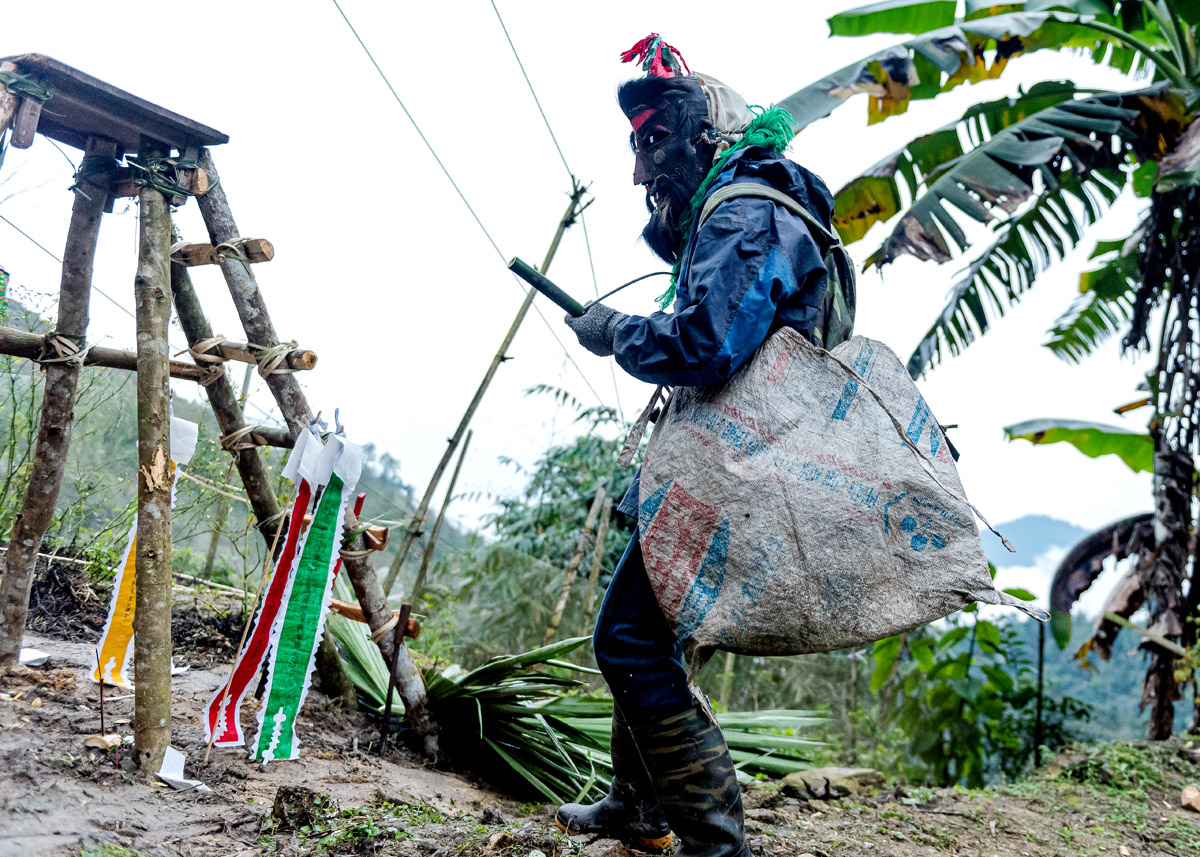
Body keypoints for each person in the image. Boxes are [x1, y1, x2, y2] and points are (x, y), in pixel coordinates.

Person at [558, 35, 855, 857]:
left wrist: (615, 330)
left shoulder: (745, 211)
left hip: (739, 470)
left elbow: (705, 343)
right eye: (637, 146)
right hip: (729, 461)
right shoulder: (742, 210)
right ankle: (639, 803)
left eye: (654, 142)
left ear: (705, 138)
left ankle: (716, 844)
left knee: (629, 635)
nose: (639, 171)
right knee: (647, 634)